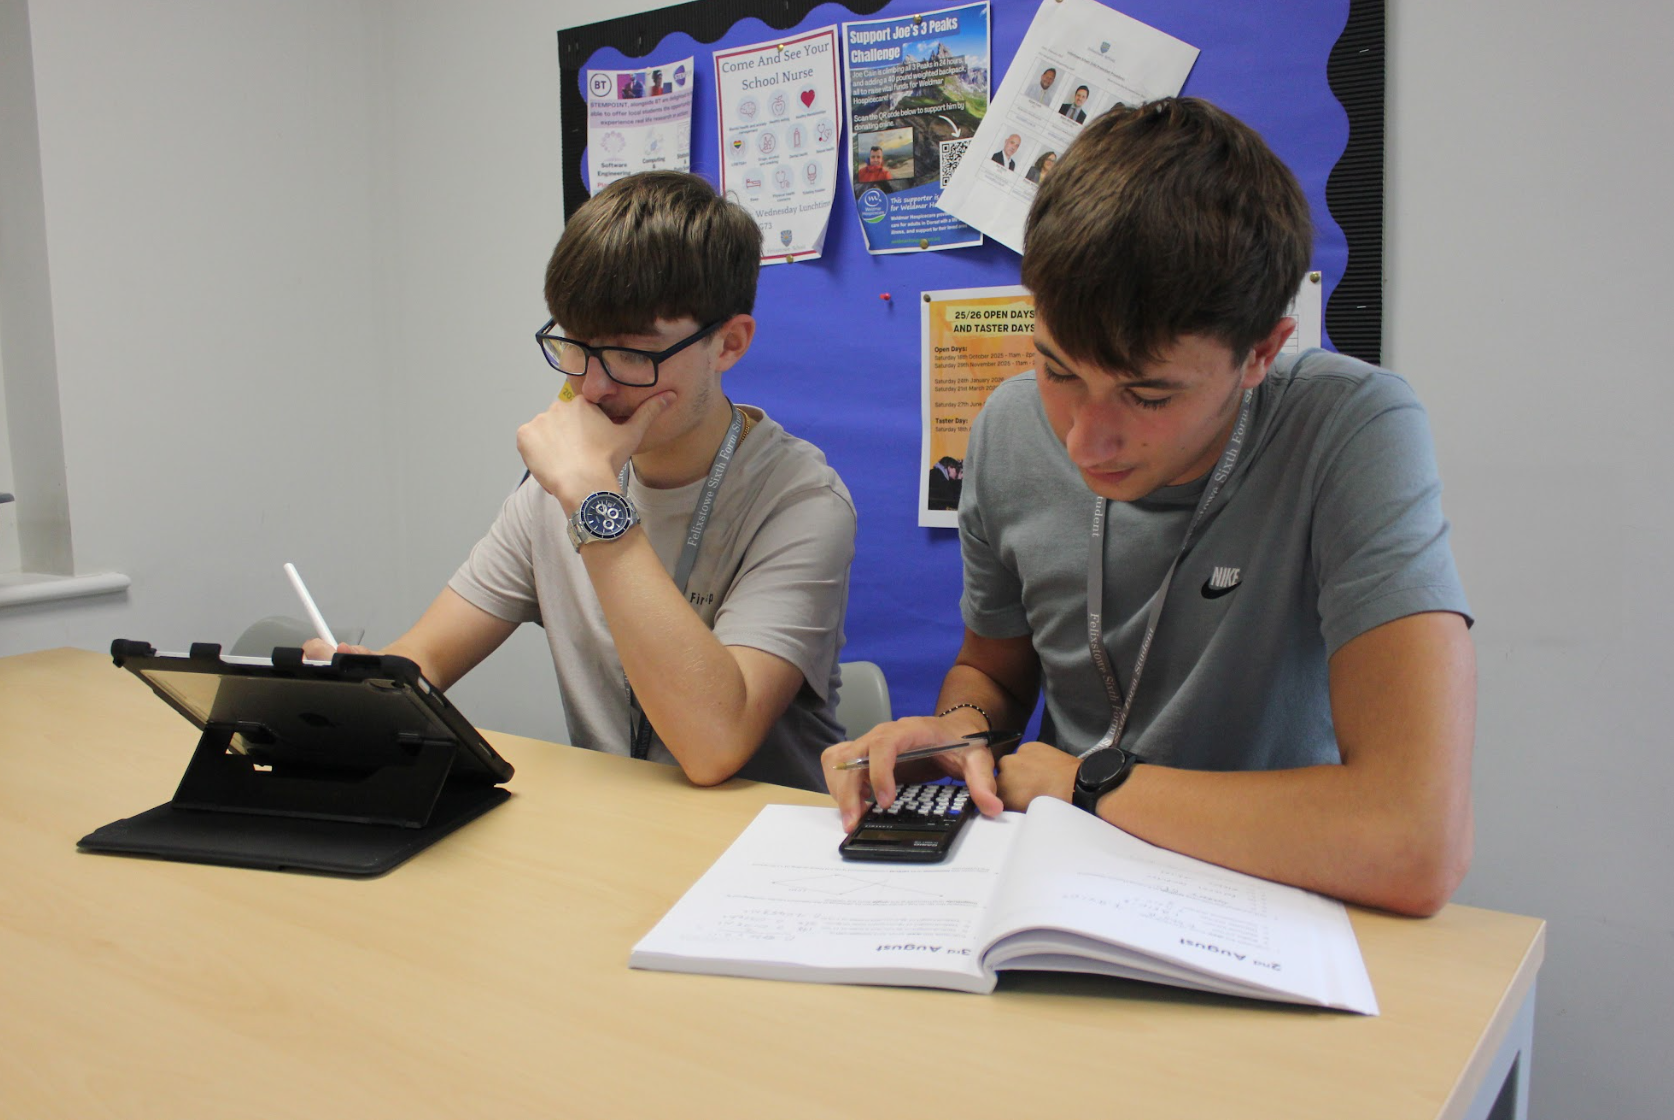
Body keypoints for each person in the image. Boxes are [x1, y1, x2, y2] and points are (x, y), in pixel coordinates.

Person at [824, 98, 1475, 918]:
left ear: (1261, 353)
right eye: (1059, 369)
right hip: (1059, 885)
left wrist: (1088, 785)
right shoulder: (1008, 426)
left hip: (1268, 903)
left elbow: (1413, 839)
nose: (1084, 441)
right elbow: (994, 670)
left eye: (1148, 394)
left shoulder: (1351, 428)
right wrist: (958, 729)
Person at [308, 171, 857, 793]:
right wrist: (362, 689)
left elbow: (713, 746)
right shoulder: (558, 483)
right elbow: (426, 658)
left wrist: (594, 499)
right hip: (611, 829)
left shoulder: (802, 501)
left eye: (633, 355)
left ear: (728, 344)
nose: (592, 387)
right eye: (574, 345)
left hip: (754, 839)